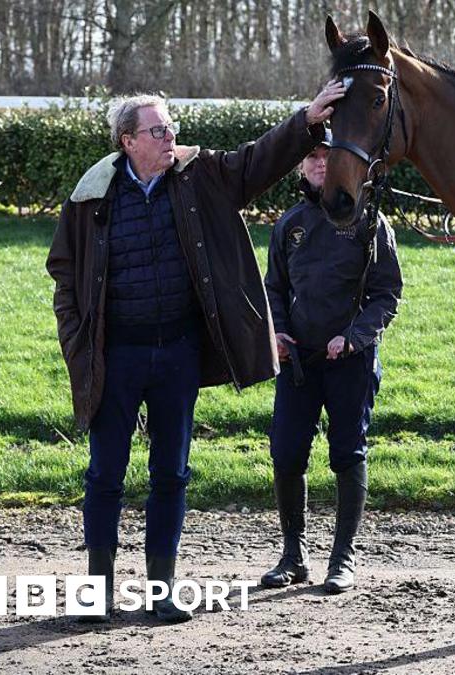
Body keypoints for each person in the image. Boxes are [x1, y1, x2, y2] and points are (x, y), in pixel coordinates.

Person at [46, 81, 347, 623]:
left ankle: (161, 591)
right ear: (128, 140)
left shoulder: (199, 175)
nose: (171, 137)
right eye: (159, 130)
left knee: (172, 474)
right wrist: (76, 339)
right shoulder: (92, 195)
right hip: (114, 357)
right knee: (104, 475)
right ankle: (97, 592)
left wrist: (307, 120)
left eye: (172, 127)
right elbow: (63, 273)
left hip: (178, 354)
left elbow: (256, 162)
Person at [259, 128, 402, 593]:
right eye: (312, 157)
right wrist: (277, 330)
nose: (320, 163)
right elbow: (274, 288)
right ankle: (293, 555)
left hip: (351, 362)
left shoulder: (370, 222)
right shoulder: (290, 224)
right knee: (285, 454)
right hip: (298, 363)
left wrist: (354, 337)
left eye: (327, 155)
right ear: (302, 166)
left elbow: (386, 294)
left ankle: (344, 558)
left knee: (346, 453)